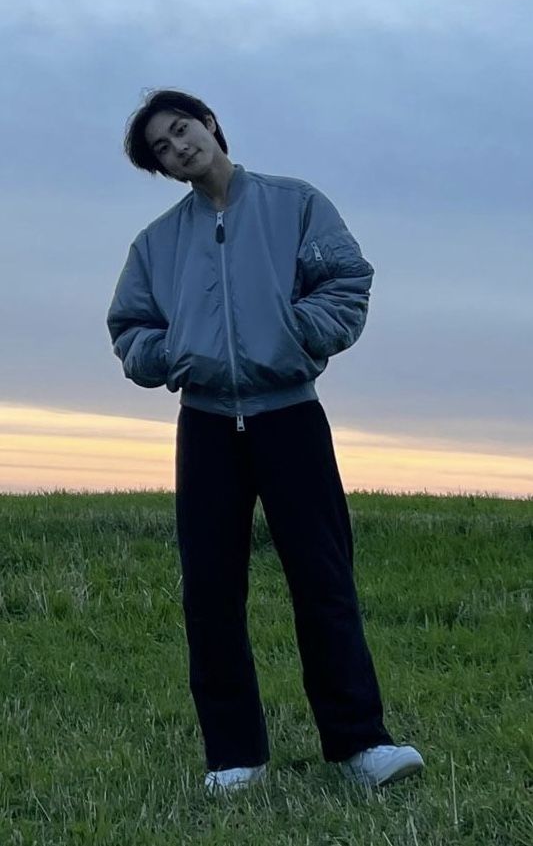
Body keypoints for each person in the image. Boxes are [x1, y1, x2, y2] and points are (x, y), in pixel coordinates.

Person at [107, 89, 425, 794]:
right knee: (211, 591)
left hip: (290, 417)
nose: (177, 147)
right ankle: (234, 757)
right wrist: (173, 358)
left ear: (210, 123)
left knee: (322, 581)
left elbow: (346, 280)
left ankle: (360, 746)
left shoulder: (294, 204)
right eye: (162, 147)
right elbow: (130, 328)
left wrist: (294, 335)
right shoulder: (157, 243)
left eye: (181, 129)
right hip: (207, 426)